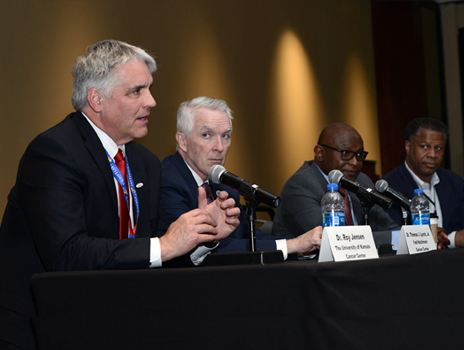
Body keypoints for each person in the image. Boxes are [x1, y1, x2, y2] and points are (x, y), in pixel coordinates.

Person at [0, 40, 240, 350]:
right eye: (136, 91)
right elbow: (67, 254)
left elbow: (153, 251)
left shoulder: (144, 163)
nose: (151, 101)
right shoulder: (54, 152)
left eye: (149, 89)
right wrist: (165, 244)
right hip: (42, 328)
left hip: (114, 322)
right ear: (97, 100)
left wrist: (200, 239)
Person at [161, 96, 322, 259]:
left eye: (225, 136)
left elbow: (251, 238)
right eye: (207, 135)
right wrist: (292, 245)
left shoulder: (223, 185)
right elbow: (197, 251)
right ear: (182, 141)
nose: (220, 147)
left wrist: (302, 246)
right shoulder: (166, 181)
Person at [272, 122, 400, 246]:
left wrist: (402, 237)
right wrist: (393, 238)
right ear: (320, 153)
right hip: (309, 265)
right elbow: (332, 239)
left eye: (359, 154)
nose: (355, 162)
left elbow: (387, 225)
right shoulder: (300, 185)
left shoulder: (361, 180)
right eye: (346, 153)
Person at [382, 117, 464, 248]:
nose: (432, 154)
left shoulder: (456, 182)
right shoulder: (389, 187)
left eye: (438, 148)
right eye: (425, 147)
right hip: (412, 265)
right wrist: (452, 239)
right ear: (408, 147)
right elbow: (396, 235)